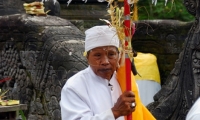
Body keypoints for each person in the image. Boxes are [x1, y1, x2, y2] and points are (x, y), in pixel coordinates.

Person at [60, 25, 136, 120]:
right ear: (87, 58)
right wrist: (115, 112)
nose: (105, 61)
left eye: (111, 54)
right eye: (98, 55)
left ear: (119, 56)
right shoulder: (74, 87)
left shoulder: (125, 81)